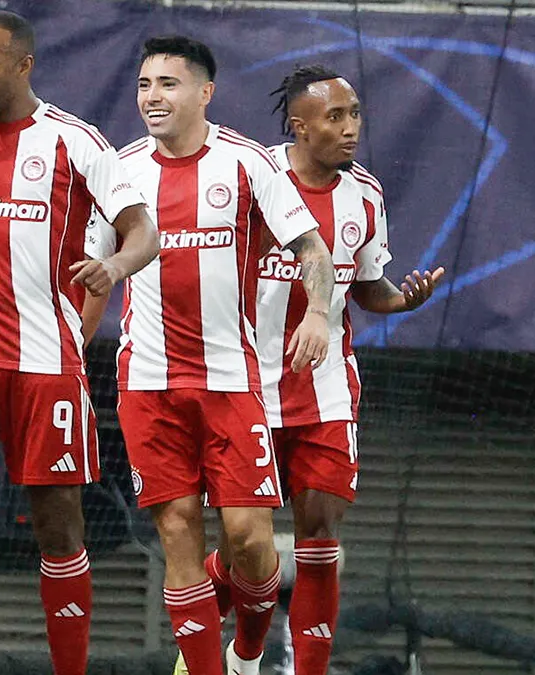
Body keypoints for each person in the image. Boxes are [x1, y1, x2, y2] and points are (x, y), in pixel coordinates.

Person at [0, 11, 158, 675]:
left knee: (58, 528)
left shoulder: (76, 142)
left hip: (47, 366)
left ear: (23, 65)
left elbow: (143, 231)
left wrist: (114, 267)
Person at [80, 36, 336, 675]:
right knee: (178, 531)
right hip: (146, 382)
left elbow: (313, 250)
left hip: (231, 380)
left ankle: (247, 649)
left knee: (249, 539)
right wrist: (72, 346)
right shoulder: (122, 169)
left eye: (167, 84)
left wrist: (320, 311)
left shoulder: (249, 164)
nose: (152, 97)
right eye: (143, 85)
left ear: (204, 92)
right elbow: (93, 272)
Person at [243, 64, 442, 675]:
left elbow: (367, 287)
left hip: (324, 389)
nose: (351, 128)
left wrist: (403, 299)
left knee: (321, 528)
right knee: (246, 546)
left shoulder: (367, 194)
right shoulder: (251, 178)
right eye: (336, 117)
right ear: (300, 127)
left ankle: (310, 668)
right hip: (243, 384)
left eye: (355, 114)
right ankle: (226, 647)